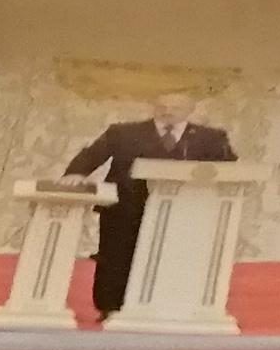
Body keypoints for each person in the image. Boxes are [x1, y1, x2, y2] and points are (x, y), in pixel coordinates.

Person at [61, 88, 235, 322]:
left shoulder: (211, 138)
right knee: (117, 257)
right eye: (163, 107)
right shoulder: (123, 133)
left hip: (184, 210)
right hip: (126, 206)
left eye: (175, 108)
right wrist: (76, 173)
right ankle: (111, 307)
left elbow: (229, 168)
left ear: (190, 110)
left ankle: (174, 307)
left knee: (177, 258)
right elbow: (92, 155)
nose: (168, 112)